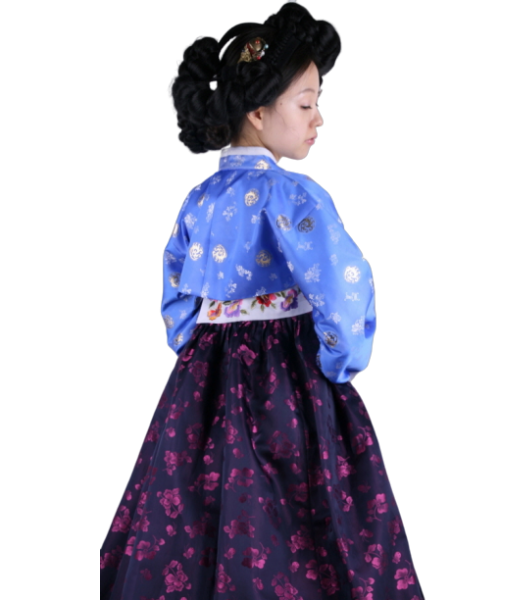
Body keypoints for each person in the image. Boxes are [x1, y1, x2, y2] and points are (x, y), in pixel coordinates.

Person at [100, 2, 425, 599]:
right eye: (305, 104)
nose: (318, 118)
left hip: (203, 377)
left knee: (197, 496)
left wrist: (195, 348)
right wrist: (340, 358)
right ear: (257, 112)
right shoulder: (292, 193)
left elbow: (177, 290)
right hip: (286, 372)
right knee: (301, 501)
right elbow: (343, 280)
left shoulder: (199, 197)